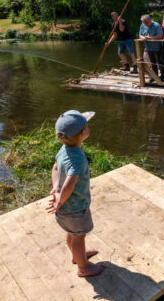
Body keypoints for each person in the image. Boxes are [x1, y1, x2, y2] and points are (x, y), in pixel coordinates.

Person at [46, 110, 104, 278]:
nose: (88, 127)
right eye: (86, 125)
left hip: (64, 210)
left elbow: (55, 167)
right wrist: (60, 200)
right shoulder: (77, 157)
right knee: (79, 237)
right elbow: (71, 182)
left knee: (72, 234)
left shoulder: (63, 150)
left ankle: (77, 257)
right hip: (75, 208)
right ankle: (83, 267)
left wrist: (56, 188)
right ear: (83, 133)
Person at [138, 14, 164, 82]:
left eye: (146, 22)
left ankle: (163, 77)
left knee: (160, 62)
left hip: (157, 47)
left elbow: (160, 36)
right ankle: (154, 76)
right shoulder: (142, 25)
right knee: (152, 63)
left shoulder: (156, 25)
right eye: (144, 23)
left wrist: (151, 38)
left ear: (150, 20)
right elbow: (140, 35)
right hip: (148, 48)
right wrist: (144, 38)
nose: (145, 24)